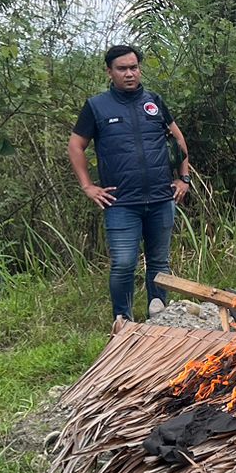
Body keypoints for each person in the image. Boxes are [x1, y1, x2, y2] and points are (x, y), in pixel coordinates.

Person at [68, 44, 193, 321]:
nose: (129, 73)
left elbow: (178, 140)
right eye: (122, 69)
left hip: (162, 199)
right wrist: (88, 186)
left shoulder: (154, 101)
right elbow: (76, 146)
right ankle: (122, 320)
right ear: (109, 72)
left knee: (159, 263)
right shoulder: (96, 106)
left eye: (133, 67)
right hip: (121, 201)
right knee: (124, 264)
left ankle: (159, 316)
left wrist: (183, 179)